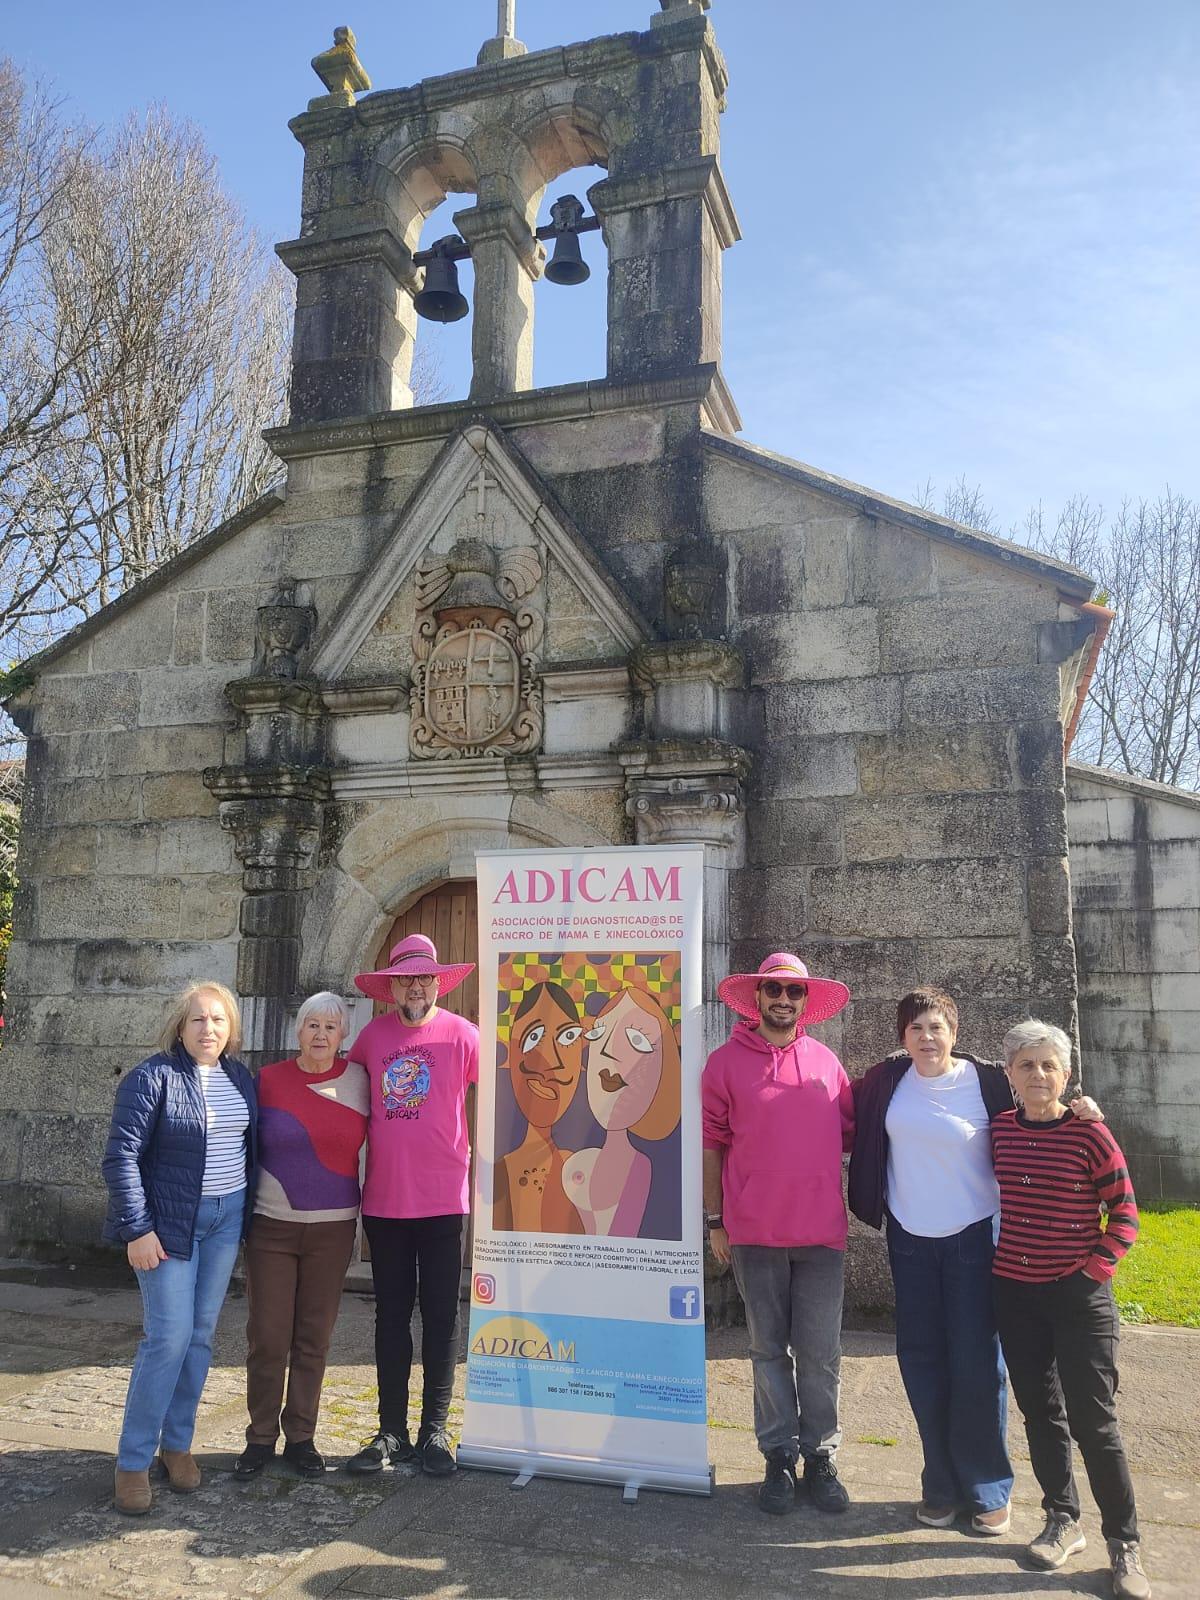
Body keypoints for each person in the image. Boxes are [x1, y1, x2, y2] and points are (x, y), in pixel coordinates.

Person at [848, 988, 1104, 1536]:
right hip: (910, 1240)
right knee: (921, 1361)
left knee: (978, 1364)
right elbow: (834, 1110)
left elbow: (1044, 1099)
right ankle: (939, 1483)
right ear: (903, 1036)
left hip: (973, 1239)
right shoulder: (886, 1081)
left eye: (937, 1026)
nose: (927, 1038)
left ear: (955, 1032)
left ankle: (987, 1486)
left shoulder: (987, 1081)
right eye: (916, 1028)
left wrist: (1083, 1106)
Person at [991, 1020, 1149, 1600]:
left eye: (1048, 1065)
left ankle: (1124, 1543)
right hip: (1015, 1292)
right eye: (1026, 1064)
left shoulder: (1090, 1134)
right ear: (1009, 1074)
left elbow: (1126, 1214)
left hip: (1079, 1298)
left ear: (1065, 1073)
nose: (1037, 1075)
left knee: (1095, 1423)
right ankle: (1063, 1519)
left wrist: (1092, 1273)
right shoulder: (999, 1131)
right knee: (1040, 1414)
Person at [702, 952, 854, 1516]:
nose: (783, 1000)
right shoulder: (723, 1065)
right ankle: (777, 1458)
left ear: (805, 1002)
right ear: (758, 997)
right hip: (753, 1234)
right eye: (774, 990)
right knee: (768, 1351)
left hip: (820, 1237)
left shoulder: (827, 1063)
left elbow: (862, 1131)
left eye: (793, 992)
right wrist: (715, 1220)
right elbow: (711, 1146)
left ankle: (820, 1457)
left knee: (820, 1354)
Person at [101, 982, 257, 1515]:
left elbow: (248, 1148)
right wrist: (136, 1229)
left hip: (224, 1219)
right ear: (179, 1026)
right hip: (167, 1227)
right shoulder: (153, 1077)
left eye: (218, 1020)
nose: (208, 1029)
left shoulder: (240, 1078)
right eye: (198, 1020)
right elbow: (120, 1158)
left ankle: (178, 1445)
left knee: (200, 1338)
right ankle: (132, 1462)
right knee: (167, 1337)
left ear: (231, 1028)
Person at [344, 933, 477, 1478]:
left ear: (438, 982)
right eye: (406, 978)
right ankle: (391, 1431)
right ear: (392, 986)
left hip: (445, 1200)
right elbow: (344, 1104)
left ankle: (436, 1429)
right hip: (386, 1200)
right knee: (392, 1316)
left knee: (442, 1316)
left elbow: (503, 1095)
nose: (416, 986)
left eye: (425, 977)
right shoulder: (371, 1039)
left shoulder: (464, 1036)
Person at [235, 992, 368, 1480]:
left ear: (344, 1035)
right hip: (271, 1227)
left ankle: (301, 1437)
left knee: (314, 1337)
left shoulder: (362, 1081)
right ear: (298, 1031)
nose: (320, 1034)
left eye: (330, 1027)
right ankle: (259, 1438)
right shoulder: (267, 1080)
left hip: (333, 1231)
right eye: (312, 1024)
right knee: (268, 1336)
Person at [563, 985, 681, 1237]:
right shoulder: (572, 1160)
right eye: (599, 1034)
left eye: (636, 1040)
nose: (606, 1052)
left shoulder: (647, 1171)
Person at [493, 981, 586, 1233]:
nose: (552, 1061)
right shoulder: (502, 1173)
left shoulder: (586, 1167)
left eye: (568, 1037)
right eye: (533, 1038)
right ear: (511, 1055)